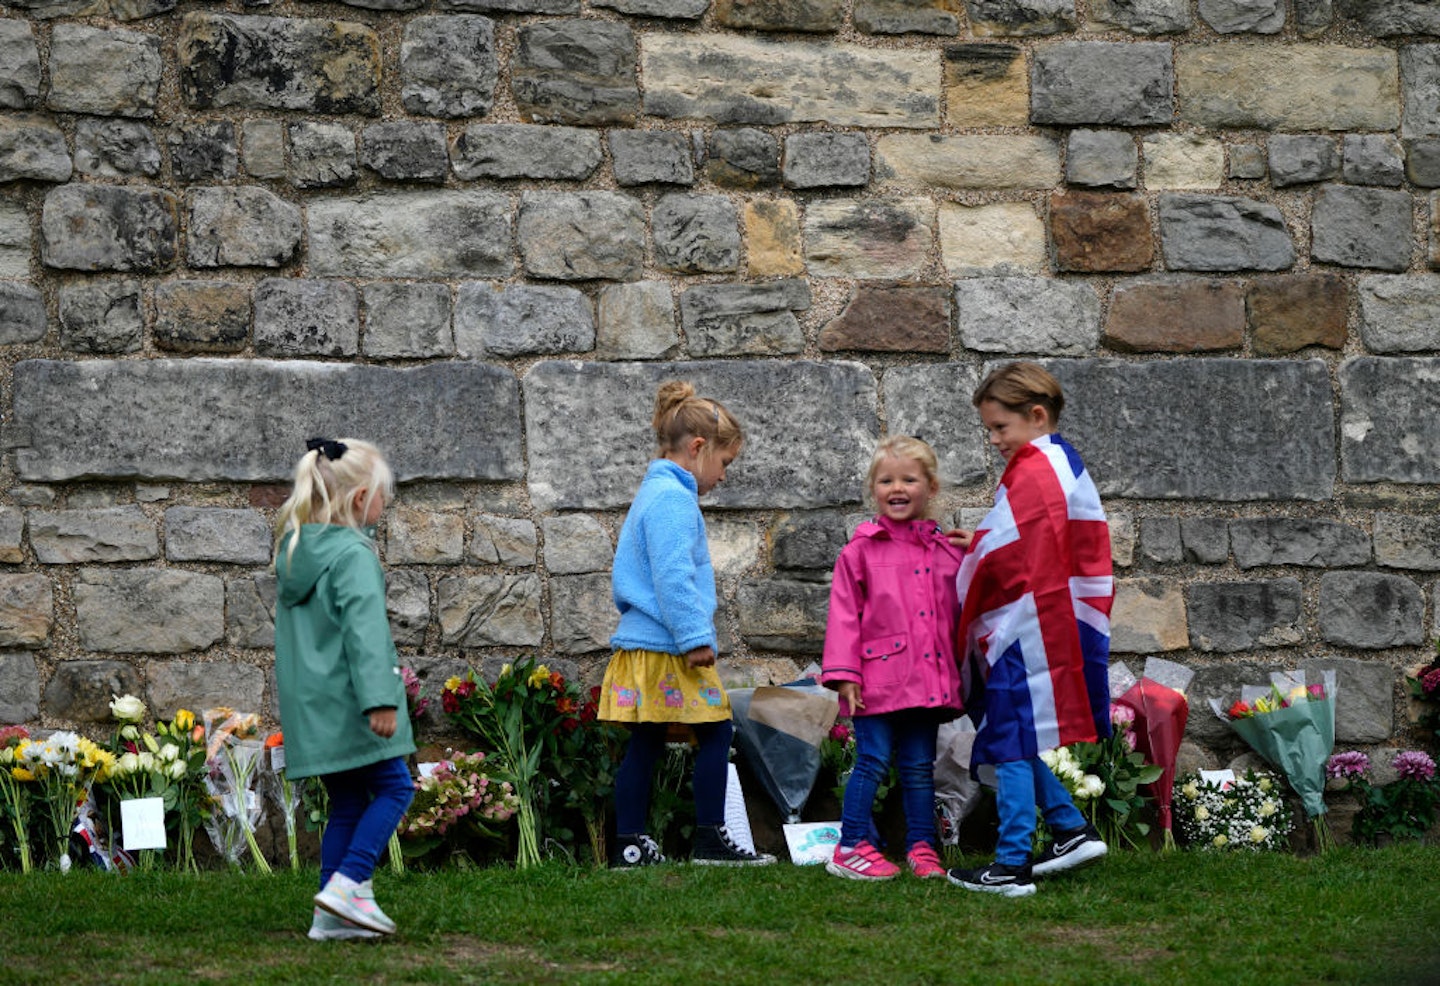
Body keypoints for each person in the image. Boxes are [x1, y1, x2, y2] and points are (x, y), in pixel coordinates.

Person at [945, 362, 1113, 898]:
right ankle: (1069, 828)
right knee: (1012, 729)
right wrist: (977, 541)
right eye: (989, 429)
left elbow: (1016, 555)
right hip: (1046, 617)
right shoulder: (1058, 460)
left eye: (1000, 428)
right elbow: (1027, 540)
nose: (994, 440)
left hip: (1027, 623)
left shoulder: (1034, 467)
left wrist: (977, 553)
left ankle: (1011, 863)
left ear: (1036, 415)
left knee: (1010, 737)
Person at [599, 381, 774, 868]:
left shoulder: (652, 493)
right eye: (725, 464)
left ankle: (630, 846)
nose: (722, 477)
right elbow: (673, 577)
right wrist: (695, 637)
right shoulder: (674, 502)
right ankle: (708, 840)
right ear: (698, 449)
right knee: (716, 732)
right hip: (672, 646)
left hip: (648, 645)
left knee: (648, 740)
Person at [273, 437, 416, 939]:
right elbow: (365, 632)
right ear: (360, 500)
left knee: (350, 802)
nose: (385, 505)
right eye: (382, 496)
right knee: (397, 788)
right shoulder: (354, 554)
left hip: (315, 711)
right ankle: (349, 884)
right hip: (354, 705)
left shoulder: (296, 551)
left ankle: (329, 918)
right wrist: (380, 698)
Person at [819, 436, 966, 881]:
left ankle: (922, 848)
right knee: (872, 760)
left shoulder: (947, 552)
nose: (896, 488)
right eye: (886, 480)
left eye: (908, 479)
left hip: (925, 684)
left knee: (921, 767)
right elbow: (844, 615)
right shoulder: (859, 552)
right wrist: (845, 675)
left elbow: (968, 606)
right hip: (874, 684)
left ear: (932, 488)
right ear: (873, 490)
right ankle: (851, 844)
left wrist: (977, 548)